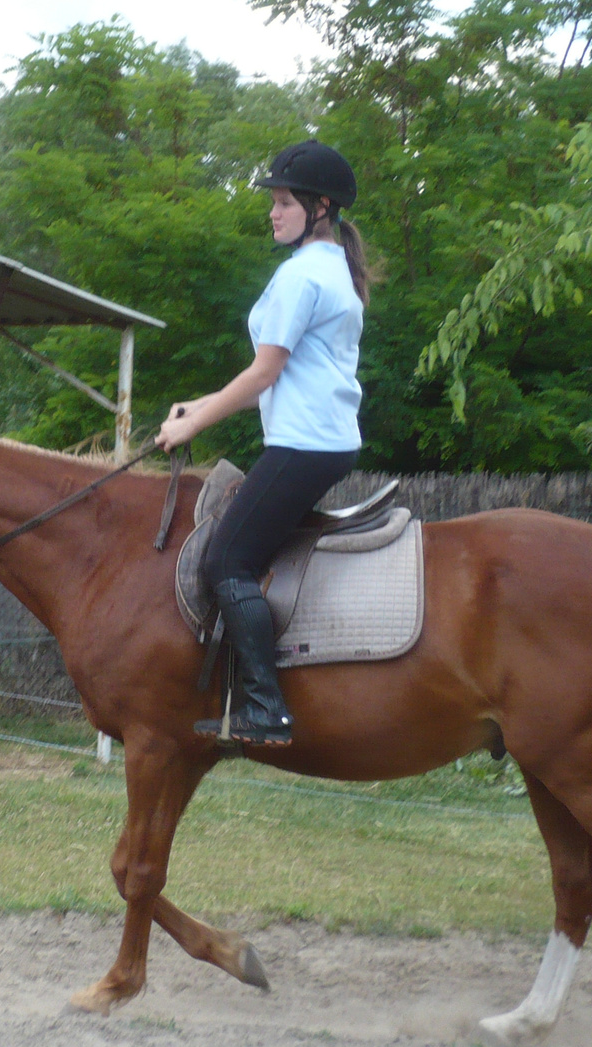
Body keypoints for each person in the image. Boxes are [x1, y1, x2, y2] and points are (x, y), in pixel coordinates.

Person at [155, 139, 372, 747]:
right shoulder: (331, 271)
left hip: (304, 445)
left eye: (282, 202)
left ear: (319, 206)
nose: (273, 213)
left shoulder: (302, 276)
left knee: (228, 560)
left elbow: (264, 372)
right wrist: (200, 405)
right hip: (320, 440)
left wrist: (192, 426)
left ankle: (266, 708)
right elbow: (274, 376)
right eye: (273, 202)